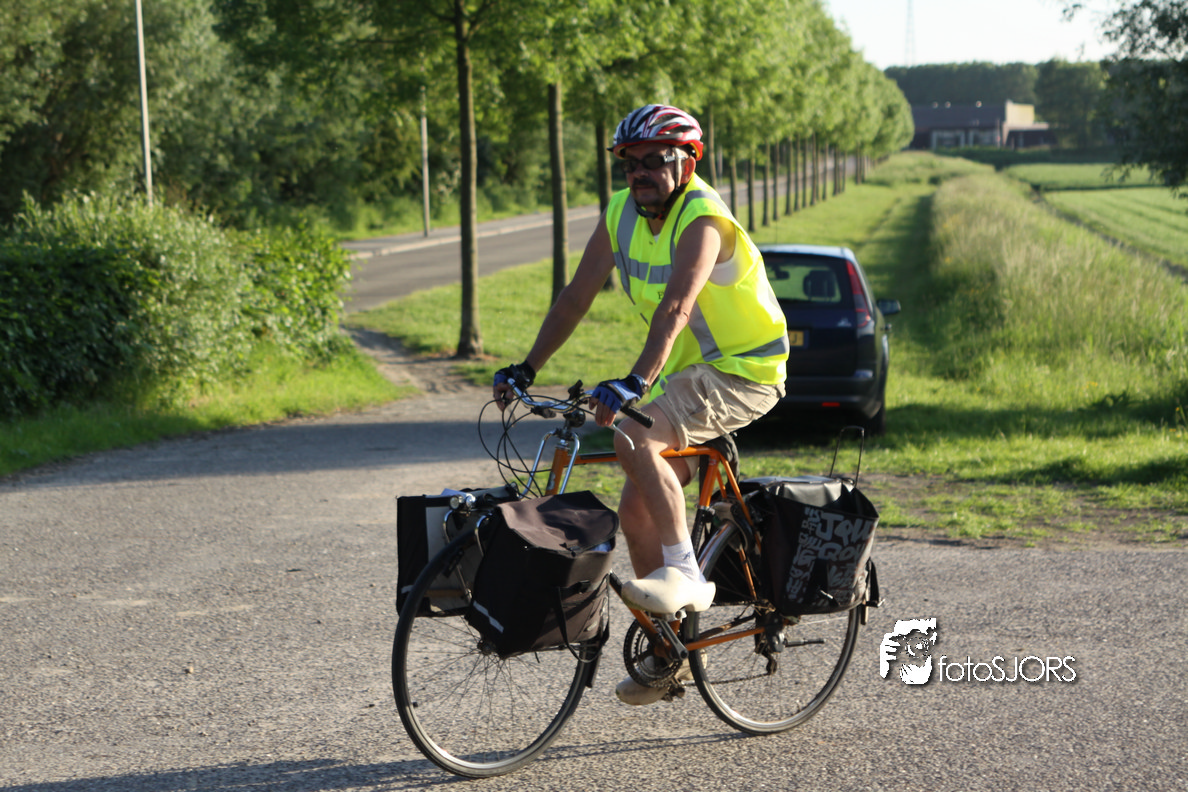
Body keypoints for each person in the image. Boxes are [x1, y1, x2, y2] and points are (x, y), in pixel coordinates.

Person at [493, 104, 788, 704]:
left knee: (633, 436)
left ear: (687, 164)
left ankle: (688, 575)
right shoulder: (621, 214)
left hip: (745, 370)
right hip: (687, 375)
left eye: (656, 160)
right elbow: (576, 295)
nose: (640, 173)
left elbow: (677, 307)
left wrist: (634, 382)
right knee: (635, 508)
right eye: (630, 163)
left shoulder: (703, 218)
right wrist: (527, 366)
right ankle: (666, 650)